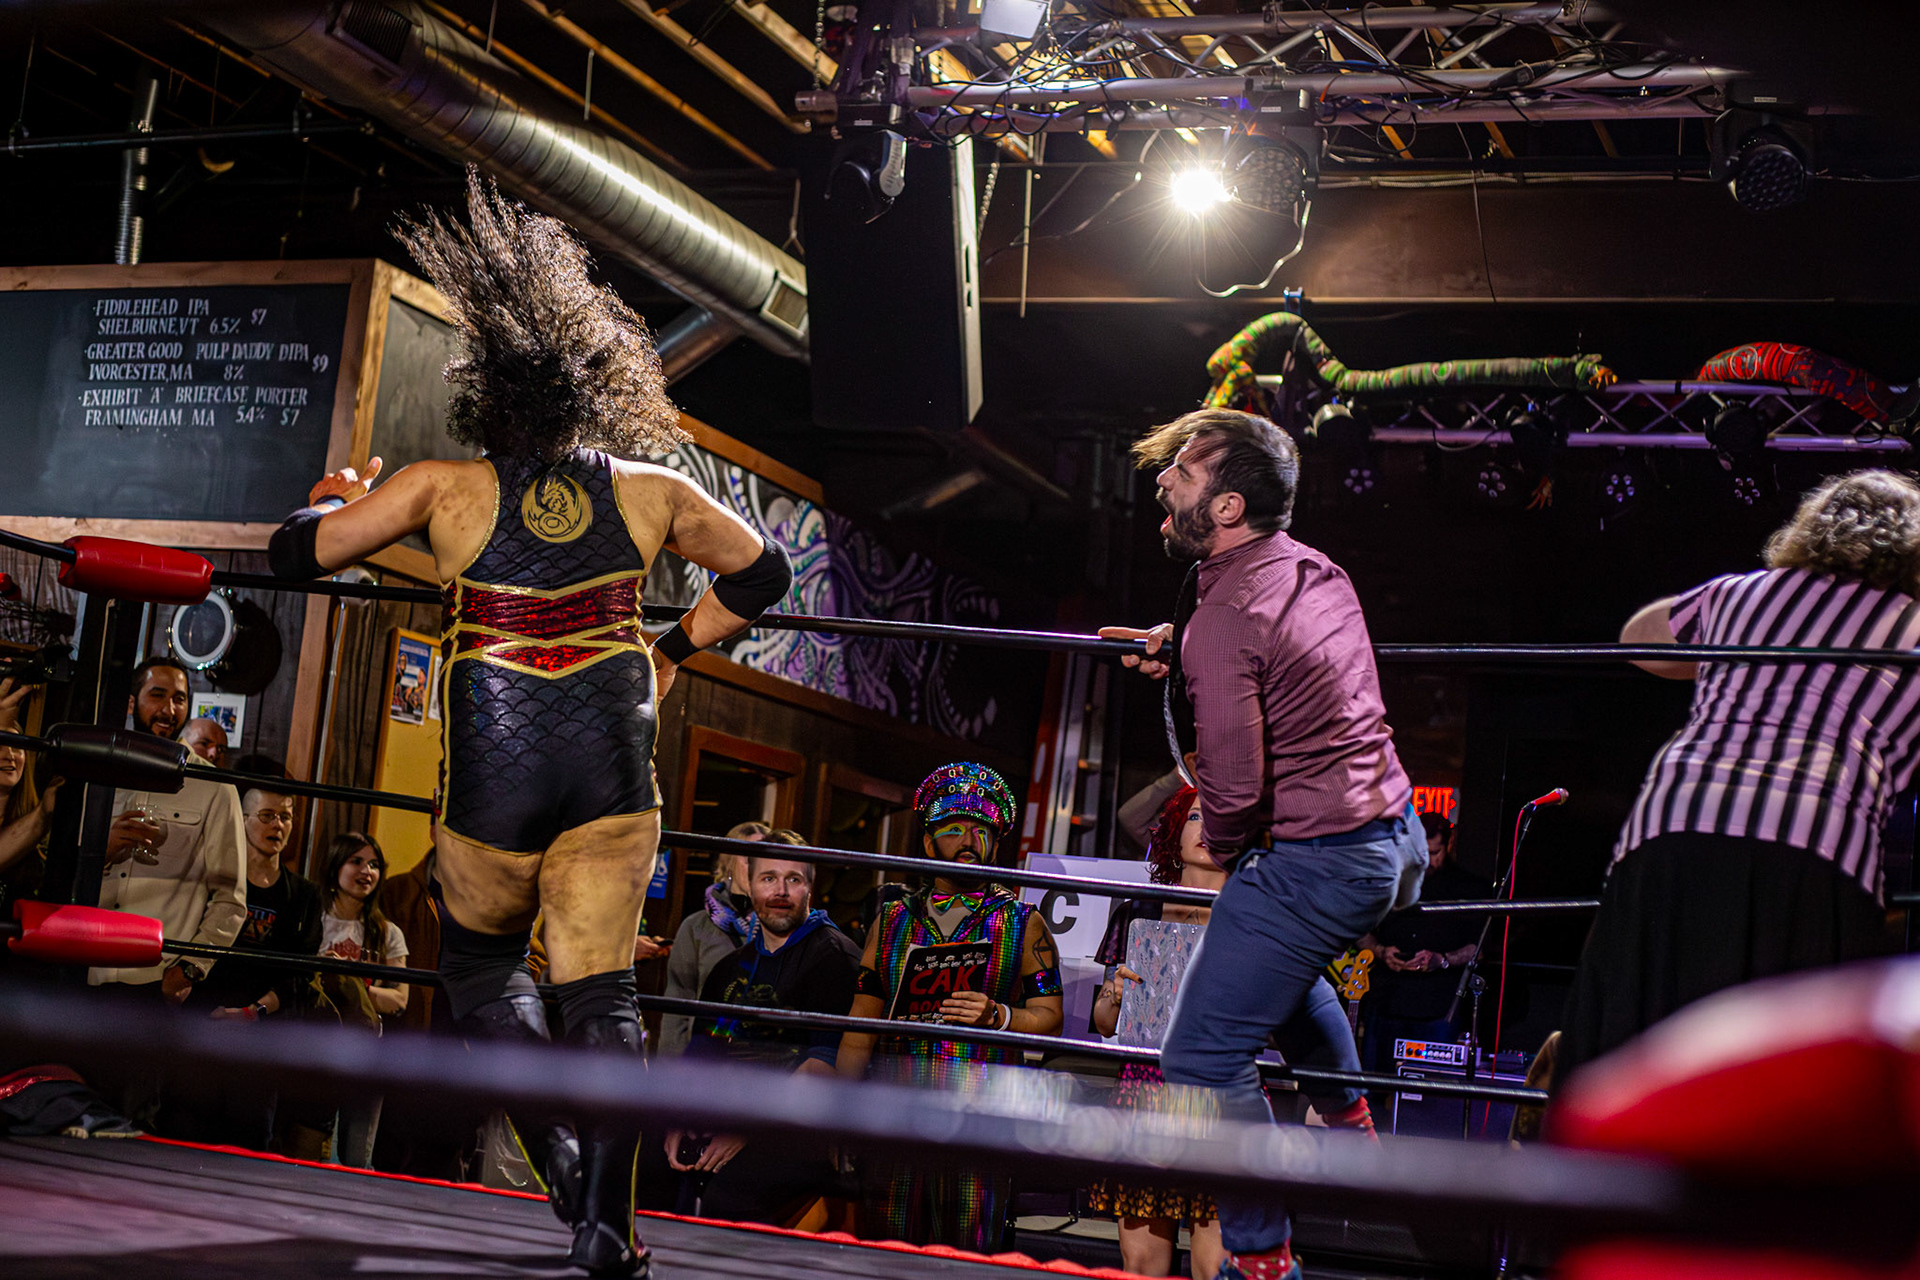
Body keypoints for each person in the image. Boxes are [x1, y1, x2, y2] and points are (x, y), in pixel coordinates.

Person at [267, 168, 791, 1277]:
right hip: (611, 752)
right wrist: (669, 652)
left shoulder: (441, 486)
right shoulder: (651, 486)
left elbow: (296, 554)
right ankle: (609, 1219)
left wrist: (332, 500)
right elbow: (766, 570)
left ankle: (555, 1149)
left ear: (488, 390)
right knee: (601, 989)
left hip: (495, 759)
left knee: (480, 964)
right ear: (597, 386)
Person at [1102, 408, 1426, 1280]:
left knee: (1200, 1059)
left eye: (1183, 473)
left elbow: (1235, 797)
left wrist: (1201, 662)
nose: (1163, 482)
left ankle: (1261, 1258)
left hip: (1321, 858)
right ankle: (1350, 1125)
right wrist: (1189, 648)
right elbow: (1275, 653)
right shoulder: (1313, 569)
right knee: (1272, 967)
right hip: (1394, 838)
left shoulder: (1227, 618)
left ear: (1229, 507)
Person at [1558, 470, 1920, 1083]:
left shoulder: (1738, 594)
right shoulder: (1913, 630)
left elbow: (1639, 640)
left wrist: (1737, 652)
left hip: (1676, 821)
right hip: (1816, 840)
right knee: (1779, 1077)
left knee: (1639, 1043)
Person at [835, 763, 1064, 1251]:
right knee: (887, 1245)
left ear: (996, 844)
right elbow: (861, 1020)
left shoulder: (1023, 921)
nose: (969, 840)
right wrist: (837, 1106)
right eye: (953, 829)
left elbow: (1050, 1016)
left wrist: (998, 1016)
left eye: (982, 831)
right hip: (895, 1108)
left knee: (969, 1249)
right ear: (928, 842)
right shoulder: (892, 919)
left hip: (981, 1115)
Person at [647, 853, 859, 1223]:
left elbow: (823, 1067)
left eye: (794, 879)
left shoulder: (834, 958)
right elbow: (702, 1054)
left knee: (725, 1196)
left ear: (810, 889)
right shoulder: (732, 968)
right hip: (729, 1114)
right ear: (750, 887)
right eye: (768, 878)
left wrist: (746, 1132)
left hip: (794, 1127)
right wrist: (679, 1118)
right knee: (646, 1166)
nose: (780, 891)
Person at [1087, 785, 1226, 1280]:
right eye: (1195, 817)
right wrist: (1115, 995)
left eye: (1221, 817)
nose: (1206, 829)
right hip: (1145, 1089)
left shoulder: (1257, 921)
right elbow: (1105, 1023)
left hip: (1223, 1092)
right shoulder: (1139, 910)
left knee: (1216, 1264)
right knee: (1142, 1263)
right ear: (1174, 830)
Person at [167, 768, 325, 1151]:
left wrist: (253, 1012)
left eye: (286, 816)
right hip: (200, 1026)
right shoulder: (211, 881)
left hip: (259, 1041)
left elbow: (300, 976)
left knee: (248, 1145)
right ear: (242, 819)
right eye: (267, 816)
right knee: (181, 1138)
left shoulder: (304, 895)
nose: (278, 825)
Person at [90, 656, 247, 1004]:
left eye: (179, 699)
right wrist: (102, 851)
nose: (169, 709)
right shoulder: (100, 771)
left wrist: (188, 969)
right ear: (131, 703)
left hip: (153, 979)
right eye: (157, 695)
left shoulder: (215, 785)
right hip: (85, 968)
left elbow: (230, 900)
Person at [1356, 813, 1488, 1076]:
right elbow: (1358, 930)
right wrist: (1381, 952)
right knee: (1374, 1085)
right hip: (1387, 1002)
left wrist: (1443, 959)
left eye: (1435, 852)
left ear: (1449, 844)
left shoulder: (1471, 888)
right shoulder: (1389, 879)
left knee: (1430, 1092)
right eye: (1421, 852)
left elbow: (1479, 948)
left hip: (1437, 1008)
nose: (1427, 860)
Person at [658, 822, 803, 1056]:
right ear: (729, 863)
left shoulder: (783, 924)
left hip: (763, 1058)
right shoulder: (696, 927)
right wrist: (671, 1068)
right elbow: (677, 1006)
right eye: (750, 857)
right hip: (706, 1056)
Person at [318, 832, 409, 1167]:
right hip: (316, 1047)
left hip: (368, 1053)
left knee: (356, 1155)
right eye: (356, 861)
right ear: (335, 867)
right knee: (308, 1144)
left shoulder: (388, 932)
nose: (366, 871)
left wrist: (348, 982)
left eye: (374, 864)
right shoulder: (314, 919)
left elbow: (399, 1000)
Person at [0, 680, 61, 917]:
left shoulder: (42, 833)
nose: (9, 755)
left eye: (17, 746)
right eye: (1, 745)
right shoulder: (37, 821)